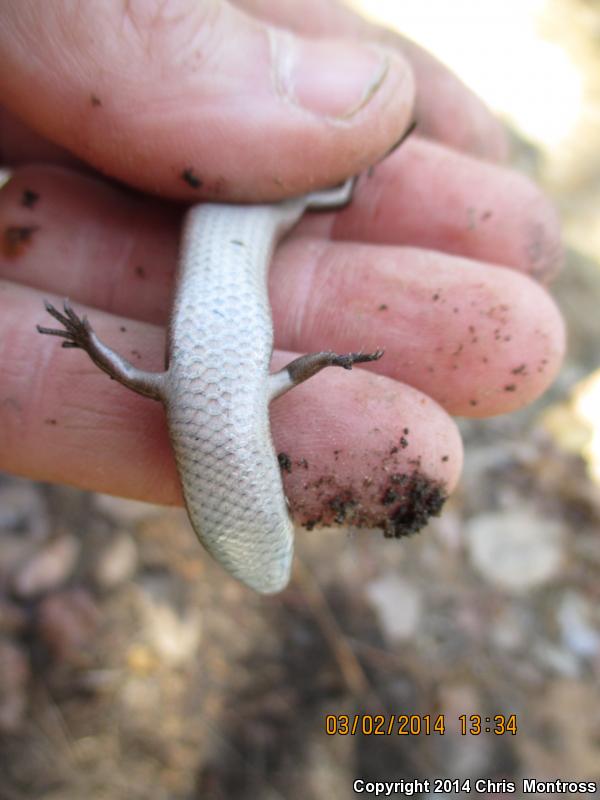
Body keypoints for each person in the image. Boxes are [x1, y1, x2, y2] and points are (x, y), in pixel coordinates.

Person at [0, 0, 564, 531]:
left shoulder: (189, 389)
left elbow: (133, 374)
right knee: (309, 187)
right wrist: (338, 359)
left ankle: (360, 156)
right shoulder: (218, 392)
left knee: (313, 192)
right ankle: (357, 154)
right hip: (231, 193)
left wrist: (84, 337)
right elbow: (294, 372)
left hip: (236, 207)